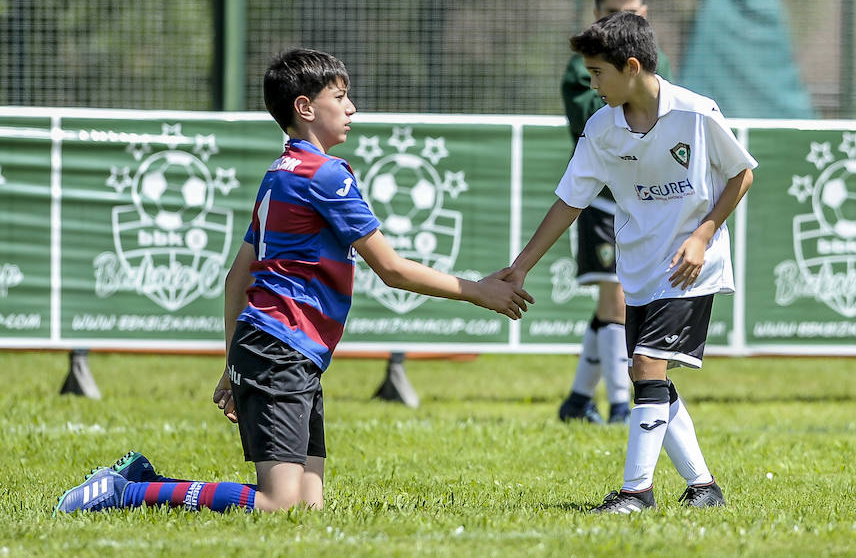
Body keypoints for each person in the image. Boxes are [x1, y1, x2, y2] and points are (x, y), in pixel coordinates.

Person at [54, 48, 533, 514]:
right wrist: (479, 292)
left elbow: (234, 279)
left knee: (307, 509)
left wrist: (234, 362)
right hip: (280, 348)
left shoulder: (279, 173)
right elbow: (390, 269)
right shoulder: (326, 176)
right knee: (278, 504)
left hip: (281, 348)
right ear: (305, 108)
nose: (352, 108)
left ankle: (140, 480)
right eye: (340, 97)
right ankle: (128, 491)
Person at [503, 12, 755, 512]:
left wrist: (703, 235)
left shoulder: (697, 112)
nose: (590, 83)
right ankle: (704, 488)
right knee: (651, 376)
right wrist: (521, 265)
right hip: (639, 270)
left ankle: (636, 492)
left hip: (688, 267)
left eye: (597, 73)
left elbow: (741, 174)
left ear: (632, 66)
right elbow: (569, 201)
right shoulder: (602, 128)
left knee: (645, 365)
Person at [558, 0, 673, 425]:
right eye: (610, 15)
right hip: (604, 199)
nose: (618, 28)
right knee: (616, 301)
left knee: (621, 300)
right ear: (595, 15)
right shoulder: (583, 68)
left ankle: (577, 401)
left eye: (628, 15)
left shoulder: (654, 60)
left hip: (644, 201)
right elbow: (599, 117)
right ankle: (623, 404)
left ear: (643, 12)